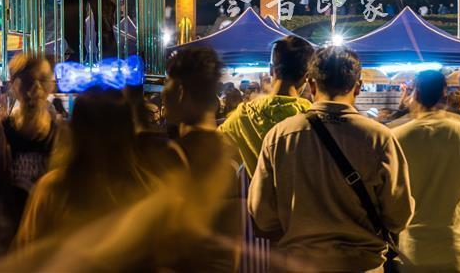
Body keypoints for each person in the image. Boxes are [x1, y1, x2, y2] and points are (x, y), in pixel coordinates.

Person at [249, 46, 413, 272]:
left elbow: (262, 215)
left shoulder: (280, 136)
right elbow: (399, 216)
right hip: (362, 265)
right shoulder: (379, 138)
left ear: (311, 84)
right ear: (358, 86)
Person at [16, 89, 156, 245]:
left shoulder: (53, 189)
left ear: (76, 132)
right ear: (128, 133)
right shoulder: (148, 190)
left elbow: (26, 252)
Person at [0, 55, 61, 265]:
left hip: (49, 255)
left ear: (51, 85)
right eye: (27, 81)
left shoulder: (63, 138)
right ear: (13, 86)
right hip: (1, 254)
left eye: (42, 80)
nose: (35, 89)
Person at [393, 70, 460, 271]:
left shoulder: (395, 136)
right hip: (456, 252)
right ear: (445, 96)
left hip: (412, 254)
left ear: (416, 95)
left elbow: (388, 197)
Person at [163, 47, 242, 271]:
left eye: (166, 83)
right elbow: (234, 240)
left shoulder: (173, 155)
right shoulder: (230, 150)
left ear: (180, 90)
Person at [219, 35, 315, 177]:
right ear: (306, 76)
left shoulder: (243, 115)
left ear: (271, 69)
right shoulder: (315, 118)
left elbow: (211, 147)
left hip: (258, 197)